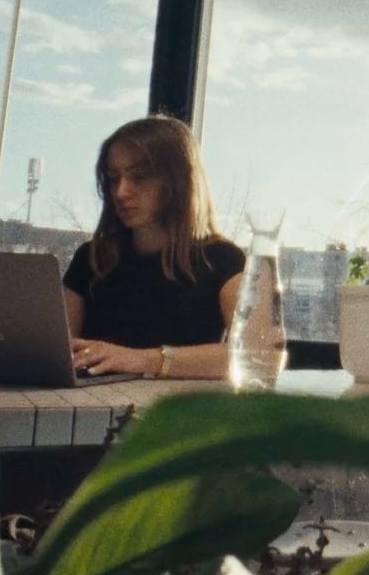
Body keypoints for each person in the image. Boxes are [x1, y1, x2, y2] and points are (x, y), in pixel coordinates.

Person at [62, 115, 245, 378]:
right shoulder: (90, 258)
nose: (121, 192)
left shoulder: (222, 259)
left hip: (175, 413)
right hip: (87, 408)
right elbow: (58, 349)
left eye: (139, 177)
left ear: (178, 181)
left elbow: (255, 356)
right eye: (114, 179)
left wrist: (141, 360)